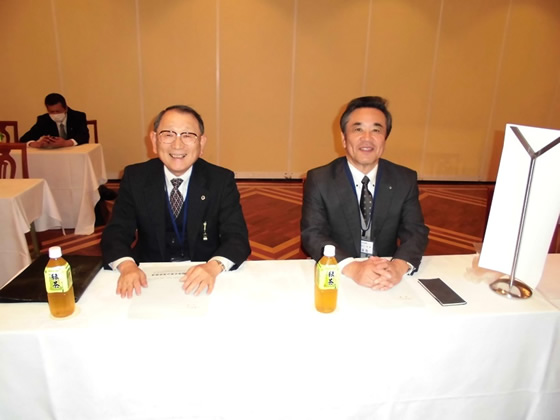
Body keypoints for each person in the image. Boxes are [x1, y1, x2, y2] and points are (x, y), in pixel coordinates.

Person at [101, 104, 251, 298]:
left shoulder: (220, 180)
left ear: (201, 143)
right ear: (154, 140)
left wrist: (213, 267)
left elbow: (237, 238)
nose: (177, 145)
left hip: (204, 272)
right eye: (168, 134)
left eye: (187, 135)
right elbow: (116, 232)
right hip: (148, 275)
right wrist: (127, 266)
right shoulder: (135, 177)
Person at [301, 96, 429, 291]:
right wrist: (353, 268)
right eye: (358, 129)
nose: (367, 138)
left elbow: (416, 232)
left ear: (385, 139)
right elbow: (313, 234)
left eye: (376, 130)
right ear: (344, 139)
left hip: (385, 275)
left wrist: (398, 266)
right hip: (341, 272)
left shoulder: (404, 179)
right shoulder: (320, 179)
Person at [20, 93, 89, 148]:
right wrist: (36, 144)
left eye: (58, 111)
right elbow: (24, 139)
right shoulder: (44, 119)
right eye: (52, 112)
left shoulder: (78, 116)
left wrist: (66, 143)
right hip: (53, 155)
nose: (55, 114)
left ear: (66, 108)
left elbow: (84, 136)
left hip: (74, 153)